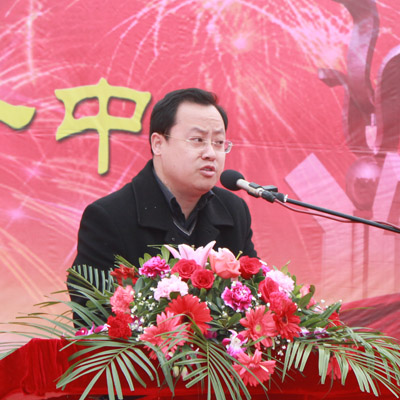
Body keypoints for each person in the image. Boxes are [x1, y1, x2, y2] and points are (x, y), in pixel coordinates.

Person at [68, 88, 257, 317]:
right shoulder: (109, 217)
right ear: (158, 143)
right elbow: (92, 315)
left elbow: (255, 297)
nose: (210, 153)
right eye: (197, 140)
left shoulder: (233, 211)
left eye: (218, 142)